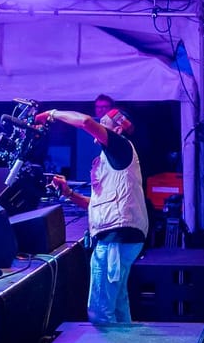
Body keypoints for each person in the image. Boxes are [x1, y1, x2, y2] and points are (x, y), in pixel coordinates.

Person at [45, 106, 150, 324]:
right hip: (121, 237)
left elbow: (84, 122)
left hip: (115, 239)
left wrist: (52, 114)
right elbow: (99, 204)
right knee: (118, 306)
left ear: (118, 129)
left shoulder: (120, 146)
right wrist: (69, 194)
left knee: (101, 312)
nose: (98, 125)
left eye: (103, 122)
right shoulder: (113, 159)